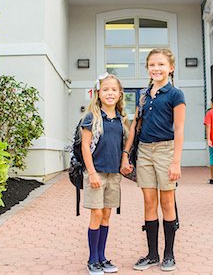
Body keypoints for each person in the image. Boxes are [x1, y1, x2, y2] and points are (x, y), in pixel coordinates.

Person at [121, 48, 186, 272]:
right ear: (147, 68)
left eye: (160, 64)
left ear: (170, 68)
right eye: (152, 65)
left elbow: (179, 129)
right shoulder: (143, 94)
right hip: (145, 152)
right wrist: (125, 154)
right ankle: (152, 254)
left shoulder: (176, 94)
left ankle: (169, 255)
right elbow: (134, 127)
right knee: (149, 202)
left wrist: (176, 161)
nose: (156, 69)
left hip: (166, 150)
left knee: (167, 202)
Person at [81, 73, 129, 275]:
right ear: (98, 93)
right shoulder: (92, 116)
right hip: (96, 173)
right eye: (105, 89)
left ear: (119, 94)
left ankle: (102, 257)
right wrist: (91, 173)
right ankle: (92, 260)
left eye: (113, 90)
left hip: (113, 175)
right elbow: (85, 146)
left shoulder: (121, 119)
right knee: (97, 214)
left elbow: (123, 145)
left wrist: (125, 162)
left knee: (107, 215)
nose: (110, 93)